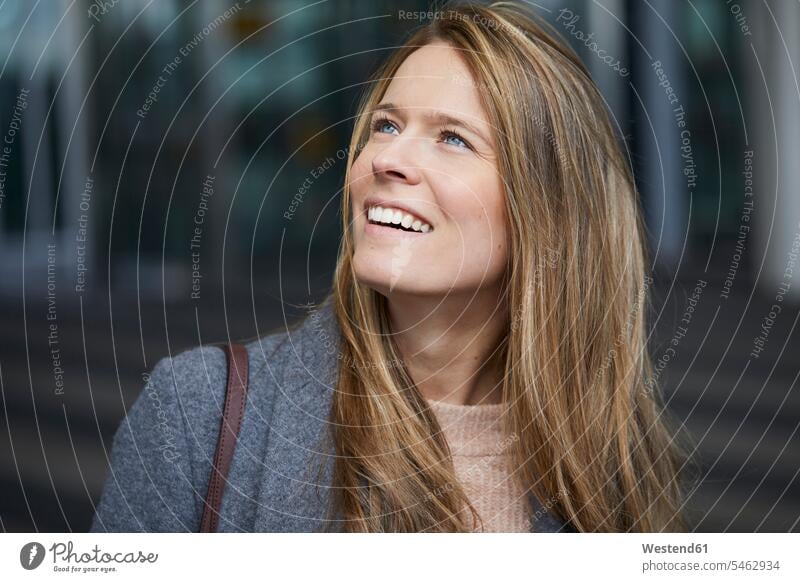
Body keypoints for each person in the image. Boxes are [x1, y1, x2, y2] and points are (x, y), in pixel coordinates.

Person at [90, 1, 687, 533]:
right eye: (387, 125)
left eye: (453, 138)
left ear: (548, 207)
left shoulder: (608, 458)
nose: (388, 158)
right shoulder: (196, 412)